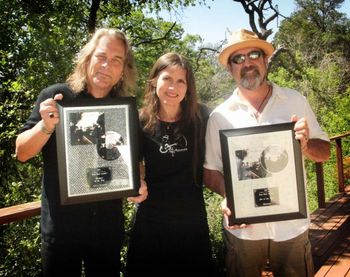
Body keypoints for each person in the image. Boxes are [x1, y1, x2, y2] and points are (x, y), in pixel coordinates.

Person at [15, 28, 147, 277]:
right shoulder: (57, 97)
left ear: (122, 71)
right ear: (87, 58)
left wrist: (137, 181)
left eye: (116, 60)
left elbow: (134, 161)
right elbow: (22, 152)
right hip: (62, 233)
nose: (107, 65)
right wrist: (45, 127)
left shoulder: (125, 110)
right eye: (101, 56)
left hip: (107, 232)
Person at [203, 29, 331, 277]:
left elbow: (324, 152)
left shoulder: (295, 101)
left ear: (265, 61)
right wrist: (231, 197)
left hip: (291, 227)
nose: (247, 63)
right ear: (230, 69)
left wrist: (305, 145)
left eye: (253, 55)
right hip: (244, 230)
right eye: (238, 59)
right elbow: (210, 172)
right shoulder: (220, 116)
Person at [126, 52, 217, 276]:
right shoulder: (139, 120)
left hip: (191, 221)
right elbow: (134, 161)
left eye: (180, 81)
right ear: (155, 80)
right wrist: (136, 179)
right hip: (150, 222)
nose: (172, 86)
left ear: (188, 88)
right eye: (167, 78)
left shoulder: (203, 118)